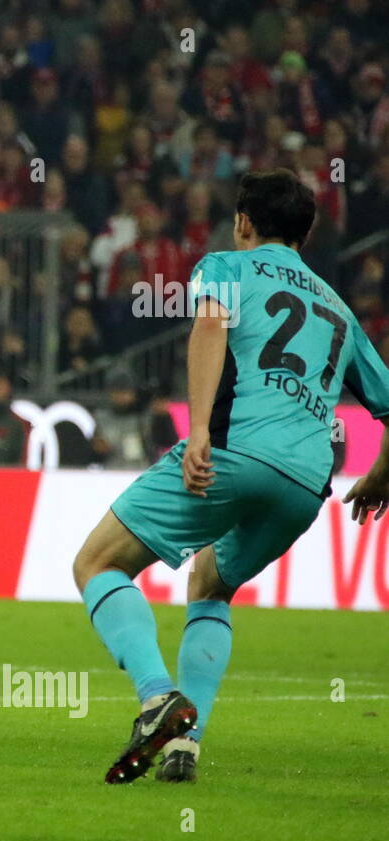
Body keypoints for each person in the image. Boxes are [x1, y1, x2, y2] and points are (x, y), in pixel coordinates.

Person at [73, 170, 389, 785]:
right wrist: (381, 473)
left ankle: (157, 696)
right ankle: (185, 746)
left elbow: (210, 327)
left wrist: (196, 433)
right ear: (308, 231)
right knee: (211, 582)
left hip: (236, 455)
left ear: (244, 221)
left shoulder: (226, 266)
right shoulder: (341, 311)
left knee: (98, 563)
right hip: (305, 486)